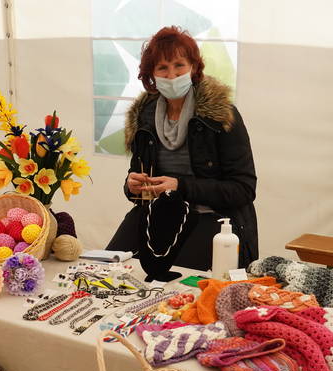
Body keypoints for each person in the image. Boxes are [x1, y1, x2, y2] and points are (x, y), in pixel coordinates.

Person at [106, 26, 258, 271]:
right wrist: (132, 186)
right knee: (108, 270)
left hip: (212, 219)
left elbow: (244, 188)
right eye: (162, 68)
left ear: (194, 68)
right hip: (159, 214)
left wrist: (181, 186)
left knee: (176, 282)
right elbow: (138, 184)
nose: (172, 75)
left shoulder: (221, 116)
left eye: (179, 65)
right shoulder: (143, 117)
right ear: (151, 74)